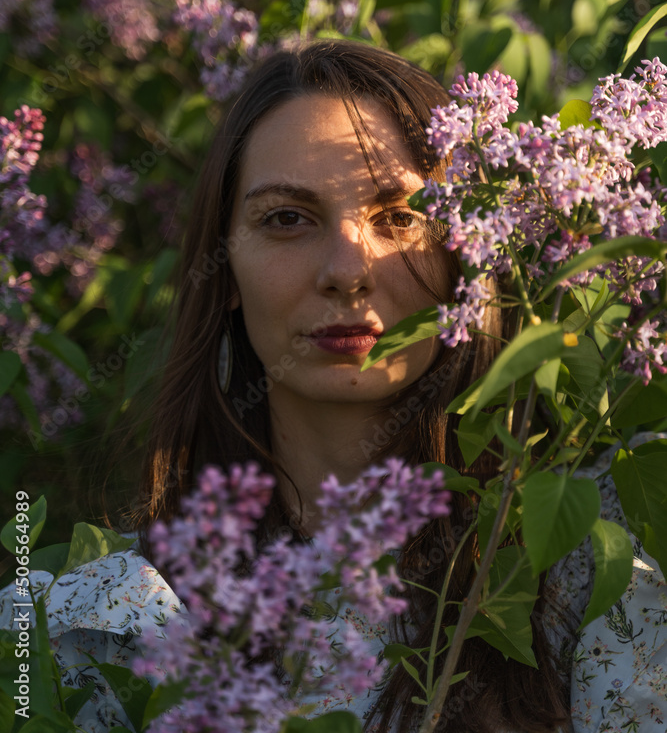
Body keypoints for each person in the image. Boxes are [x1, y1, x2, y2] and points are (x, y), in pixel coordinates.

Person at [1, 40, 665, 732]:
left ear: (470, 251)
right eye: (287, 218)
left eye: (399, 217)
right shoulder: (88, 631)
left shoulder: (600, 574)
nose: (347, 269)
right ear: (223, 272)